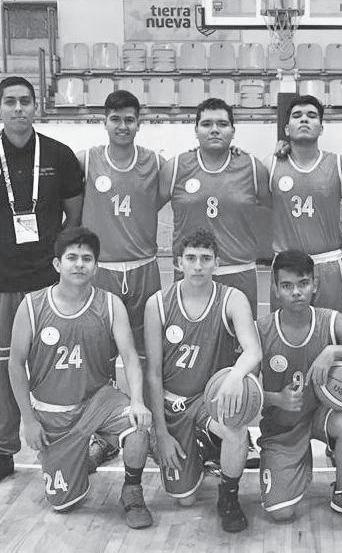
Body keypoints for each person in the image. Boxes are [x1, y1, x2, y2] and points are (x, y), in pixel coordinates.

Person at [0, 76, 83, 489]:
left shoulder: (59, 155)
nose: (18, 108)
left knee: (53, 366)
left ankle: (62, 447)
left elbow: (74, 216)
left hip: (46, 281)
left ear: (36, 106)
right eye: (9, 101)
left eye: (25, 101)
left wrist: (50, 257)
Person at [7, 227, 153, 528]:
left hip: (98, 402)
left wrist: (138, 400)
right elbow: (15, 364)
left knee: (137, 425)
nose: (79, 264)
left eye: (87, 259)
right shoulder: (32, 306)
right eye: (72, 257)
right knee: (64, 505)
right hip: (53, 414)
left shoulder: (110, 304)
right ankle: (85, 453)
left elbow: (130, 357)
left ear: (96, 266)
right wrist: (29, 421)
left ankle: (132, 490)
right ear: (57, 264)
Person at [143, 227, 261, 533]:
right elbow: (153, 374)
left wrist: (236, 374)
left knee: (235, 428)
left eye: (205, 258)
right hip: (172, 404)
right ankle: (202, 448)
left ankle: (229, 497)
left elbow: (253, 351)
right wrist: (161, 434)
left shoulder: (232, 299)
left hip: (209, 400)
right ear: (178, 263)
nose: (198, 265)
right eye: (191, 258)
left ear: (216, 264)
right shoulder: (158, 304)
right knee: (185, 499)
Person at [257, 250, 342, 527]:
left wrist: (334, 351)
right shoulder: (261, 330)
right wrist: (276, 398)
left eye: (303, 283)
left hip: (321, 416)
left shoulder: (331, 320)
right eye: (287, 286)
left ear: (315, 284)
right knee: (280, 513)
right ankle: (293, 466)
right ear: (275, 289)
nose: (296, 292)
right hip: (282, 427)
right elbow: (247, 392)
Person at [161, 98, 270, 316]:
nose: (214, 130)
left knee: (241, 336)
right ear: (196, 130)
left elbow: (276, 208)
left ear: (233, 131)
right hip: (190, 271)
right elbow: (146, 209)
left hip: (238, 272)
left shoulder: (252, 167)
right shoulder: (175, 167)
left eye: (222, 124)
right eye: (206, 124)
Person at [78, 90, 165, 357]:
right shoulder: (86, 160)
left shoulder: (155, 162)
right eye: (115, 119)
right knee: (98, 349)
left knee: (146, 349)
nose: (122, 126)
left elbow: (186, 172)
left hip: (144, 268)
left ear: (139, 124)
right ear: (104, 122)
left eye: (129, 120)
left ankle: (144, 388)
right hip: (100, 268)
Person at [265, 95, 342, 313]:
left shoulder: (340, 165)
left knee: (330, 328)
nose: (304, 119)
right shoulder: (269, 165)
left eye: (311, 115)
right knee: (283, 329)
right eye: (297, 116)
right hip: (286, 266)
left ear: (321, 128)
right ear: (286, 129)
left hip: (327, 265)